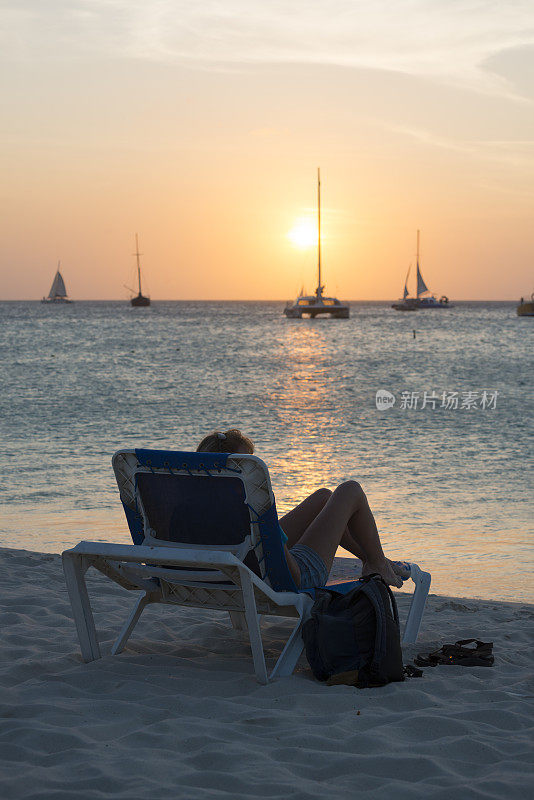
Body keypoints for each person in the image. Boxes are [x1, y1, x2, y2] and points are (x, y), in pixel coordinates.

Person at [196, 428, 409, 591]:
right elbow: (281, 556)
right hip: (289, 577)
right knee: (350, 490)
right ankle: (378, 563)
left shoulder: (195, 504)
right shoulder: (250, 503)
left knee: (324, 497)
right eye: (248, 465)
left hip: (235, 570)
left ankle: (373, 559)